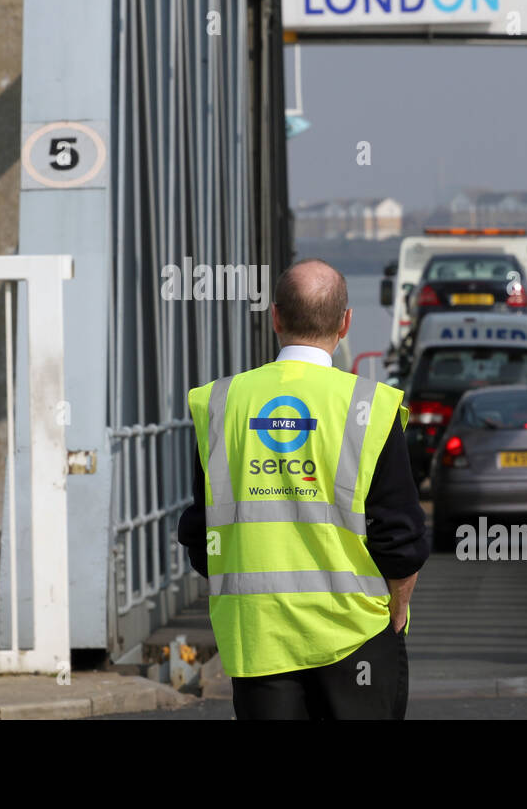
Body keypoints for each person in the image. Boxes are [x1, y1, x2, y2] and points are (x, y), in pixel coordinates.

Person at [177, 258, 429, 719]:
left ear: (275, 317)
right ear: (345, 322)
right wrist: (397, 608)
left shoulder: (221, 403)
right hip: (355, 637)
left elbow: (200, 531)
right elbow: (400, 535)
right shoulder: (369, 406)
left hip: (258, 638)